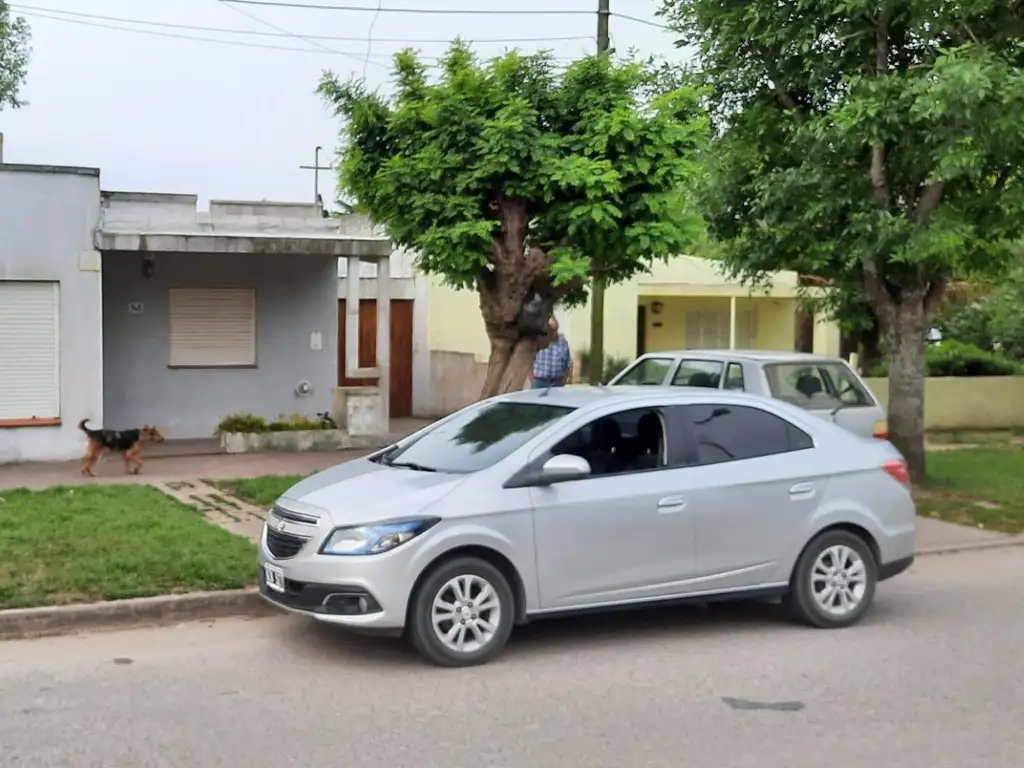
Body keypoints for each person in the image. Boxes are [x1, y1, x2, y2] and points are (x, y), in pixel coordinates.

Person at [529, 316, 572, 389]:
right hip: (539, 382)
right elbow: (528, 361)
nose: (553, 332)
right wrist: (532, 379)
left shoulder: (563, 342)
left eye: (555, 329)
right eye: (551, 330)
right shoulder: (538, 340)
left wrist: (563, 381)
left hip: (557, 382)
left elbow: (567, 364)